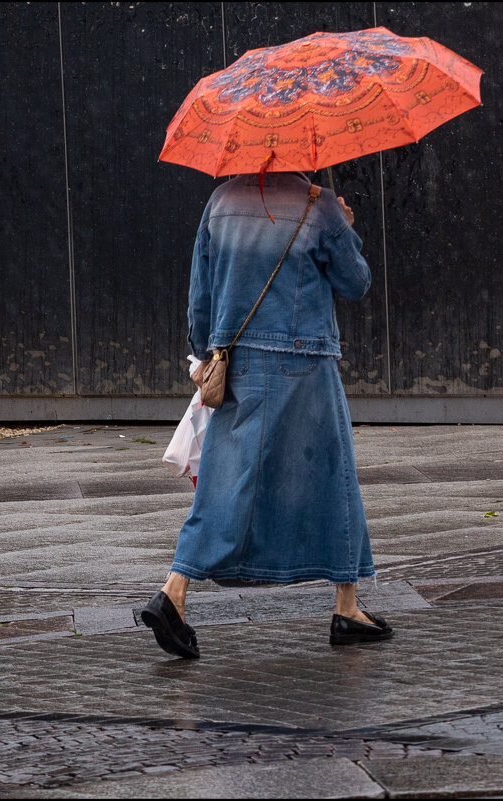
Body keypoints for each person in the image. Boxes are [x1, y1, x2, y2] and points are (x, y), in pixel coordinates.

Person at [141, 170, 393, 659]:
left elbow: (201, 293)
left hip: (239, 364)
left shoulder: (220, 202)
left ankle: (173, 593)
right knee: (331, 477)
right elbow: (356, 282)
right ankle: (346, 608)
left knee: (225, 481)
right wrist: (345, 224)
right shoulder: (316, 205)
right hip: (306, 368)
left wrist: (205, 354)